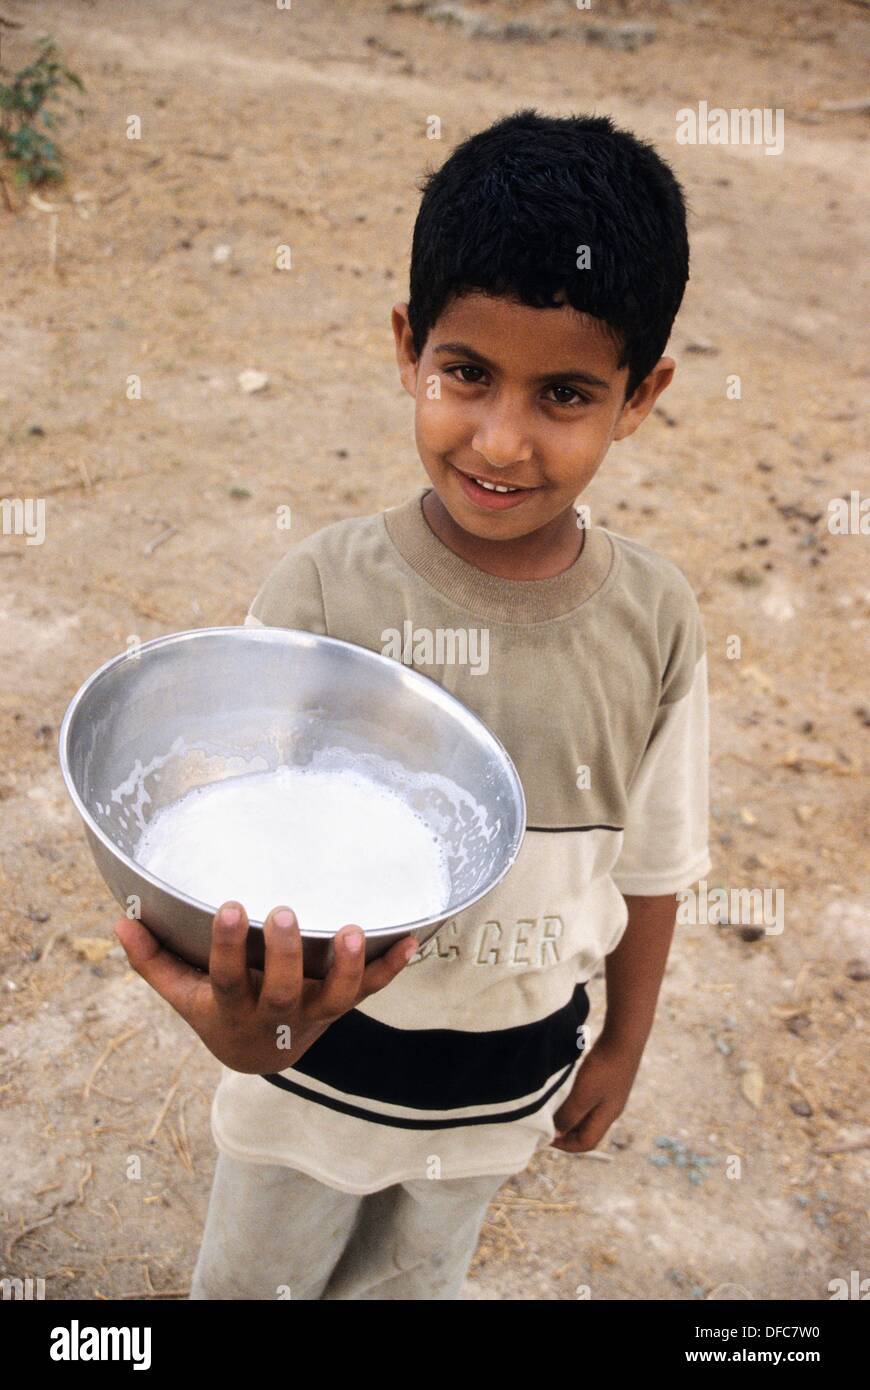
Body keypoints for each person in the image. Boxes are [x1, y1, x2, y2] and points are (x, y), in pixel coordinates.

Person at [114, 108, 711, 1300]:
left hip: (498, 1096)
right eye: (467, 374)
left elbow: (652, 864)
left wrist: (627, 1042)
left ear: (640, 396)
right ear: (408, 347)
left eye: (566, 395)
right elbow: (238, 841)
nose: (501, 439)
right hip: (310, 1085)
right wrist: (238, 1023)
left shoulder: (656, 620)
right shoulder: (322, 589)